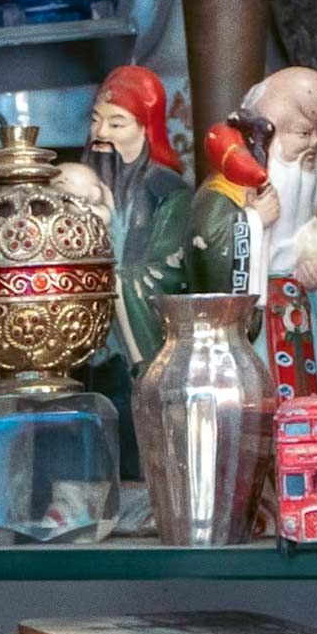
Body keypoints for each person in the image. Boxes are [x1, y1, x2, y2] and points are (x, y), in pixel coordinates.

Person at [186, 67, 317, 400]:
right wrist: (253, 222)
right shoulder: (223, 192)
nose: (314, 143)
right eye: (303, 133)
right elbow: (208, 248)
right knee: (263, 404)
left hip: (306, 317)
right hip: (259, 327)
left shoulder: (312, 192)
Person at [76, 66, 191, 478]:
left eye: (116, 122)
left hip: (138, 333)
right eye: (95, 120)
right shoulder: (78, 186)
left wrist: (115, 280)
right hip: (89, 334)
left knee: (137, 418)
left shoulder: (167, 191)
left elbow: (169, 267)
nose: (101, 132)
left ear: (147, 128)